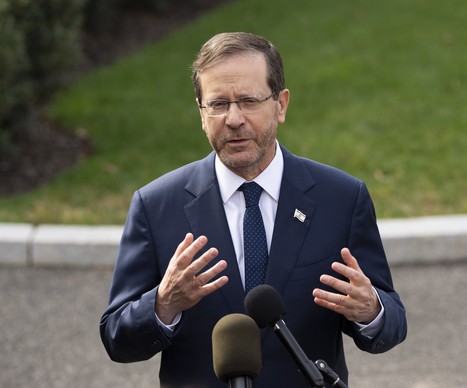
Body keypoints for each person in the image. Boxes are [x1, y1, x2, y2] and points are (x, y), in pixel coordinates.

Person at [100, 31, 407, 387]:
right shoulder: (156, 206)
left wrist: (371, 311)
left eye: (248, 101)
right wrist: (162, 305)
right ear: (201, 113)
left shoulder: (340, 198)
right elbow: (117, 338)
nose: (233, 119)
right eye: (218, 104)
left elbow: (393, 321)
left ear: (281, 105)